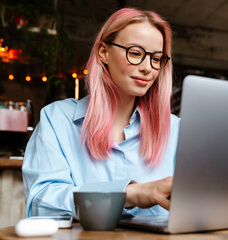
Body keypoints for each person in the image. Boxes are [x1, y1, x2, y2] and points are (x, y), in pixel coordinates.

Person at [22, 7, 180, 218]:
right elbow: (42, 203)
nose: (147, 68)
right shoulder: (57, 120)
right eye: (135, 53)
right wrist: (128, 194)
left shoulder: (175, 129)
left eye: (156, 58)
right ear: (103, 52)